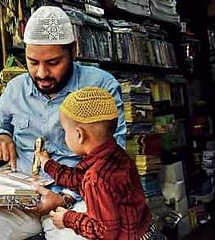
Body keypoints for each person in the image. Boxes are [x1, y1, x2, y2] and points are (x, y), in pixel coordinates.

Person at [0, 5, 126, 240]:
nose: (41, 73)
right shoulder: (16, 88)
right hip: (19, 197)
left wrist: (65, 198)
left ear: (74, 51)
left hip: (77, 198)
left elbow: (113, 160)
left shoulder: (100, 87)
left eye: (53, 62)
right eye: (33, 62)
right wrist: (1, 136)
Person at [38, 87, 161, 239]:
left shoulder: (95, 179)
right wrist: (47, 164)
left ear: (79, 135)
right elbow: (78, 179)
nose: (65, 136)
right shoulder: (116, 155)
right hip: (148, 232)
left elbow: (105, 232)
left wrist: (68, 218)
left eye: (65, 131)